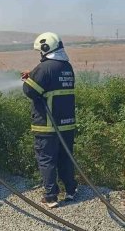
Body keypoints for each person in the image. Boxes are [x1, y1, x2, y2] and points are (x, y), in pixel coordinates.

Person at [22, 32, 77, 208]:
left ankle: (51, 197)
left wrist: (28, 80)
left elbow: (30, 91)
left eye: (41, 50)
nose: (40, 54)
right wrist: (32, 76)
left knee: (46, 159)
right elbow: (50, 84)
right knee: (65, 157)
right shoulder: (67, 67)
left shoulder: (44, 68)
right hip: (67, 124)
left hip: (47, 125)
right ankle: (70, 190)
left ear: (46, 48)